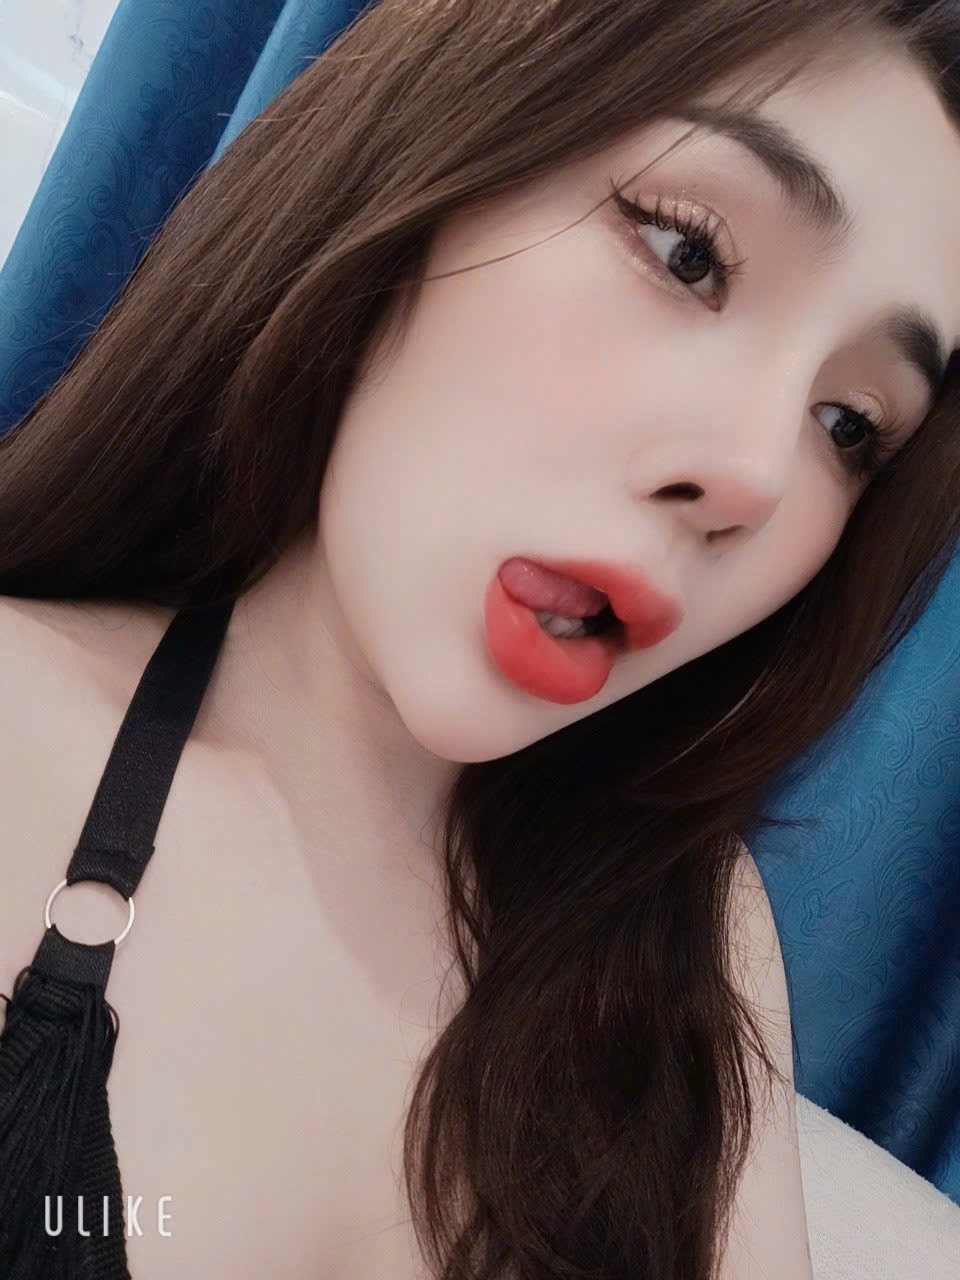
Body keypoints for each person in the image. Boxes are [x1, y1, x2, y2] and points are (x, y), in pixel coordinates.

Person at [1, 0, 959, 1276]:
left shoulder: (690, 933)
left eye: (850, 425)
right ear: (431, 160)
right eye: (688, 254)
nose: (753, 476)